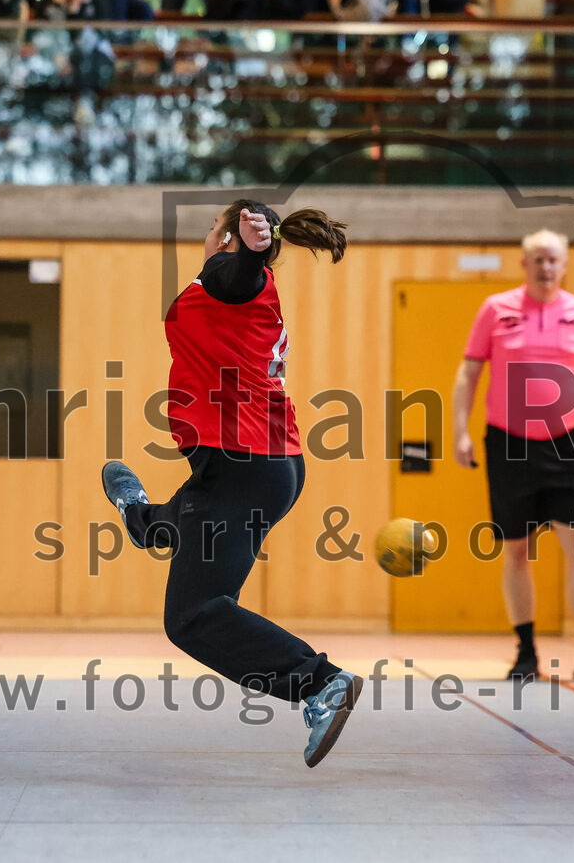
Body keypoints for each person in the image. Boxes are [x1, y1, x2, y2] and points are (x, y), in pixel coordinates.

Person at [101, 201, 363, 768]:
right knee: (196, 512)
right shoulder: (246, 289)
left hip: (243, 467)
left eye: (210, 233)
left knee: (193, 615)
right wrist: (249, 251)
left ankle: (318, 682)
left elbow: (235, 274)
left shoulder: (230, 279)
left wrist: (247, 248)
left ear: (221, 240)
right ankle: (146, 520)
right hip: (265, 467)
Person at [452, 229, 574, 683]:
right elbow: (468, 374)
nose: (546, 267)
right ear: (524, 265)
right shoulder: (496, 309)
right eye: (538, 260)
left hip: (563, 444)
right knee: (516, 550)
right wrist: (460, 433)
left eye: (553, 260)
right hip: (507, 443)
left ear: (564, 265)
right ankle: (525, 653)